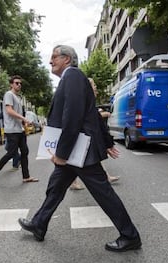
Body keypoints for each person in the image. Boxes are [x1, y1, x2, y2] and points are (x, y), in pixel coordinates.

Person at [18, 45, 141, 252]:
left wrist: (61, 153)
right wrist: (107, 141)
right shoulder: (71, 78)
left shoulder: (72, 76)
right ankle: (39, 224)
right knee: (55, 188)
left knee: (103, 193)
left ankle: (130, 236)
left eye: (54, 57)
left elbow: (73, 117)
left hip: (79, 151)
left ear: (67, 59)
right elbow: (91, 115)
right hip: (76, 150)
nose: (50, 61)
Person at [0, 75, 38, 186]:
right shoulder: (9, 95)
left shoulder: (18, 97)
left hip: (19, 129)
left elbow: (17, 112)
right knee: (11, 153)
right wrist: (23, 118)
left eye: (20, 83)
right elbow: (9, 111)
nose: (19, 85)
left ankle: (26, 176)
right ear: (11, 84)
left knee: (24, 152)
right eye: (17, 83)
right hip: (11, 130)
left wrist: (24, 123)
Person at [70, 78, 120, 190]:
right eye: (93, 85)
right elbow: (89, 120)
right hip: (81, 140)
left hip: (83, 141)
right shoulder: (82, 102)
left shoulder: (87, 101)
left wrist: (106, 144)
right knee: (71, 166)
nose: (95, 87)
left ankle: (106, 178)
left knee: (77, 165)